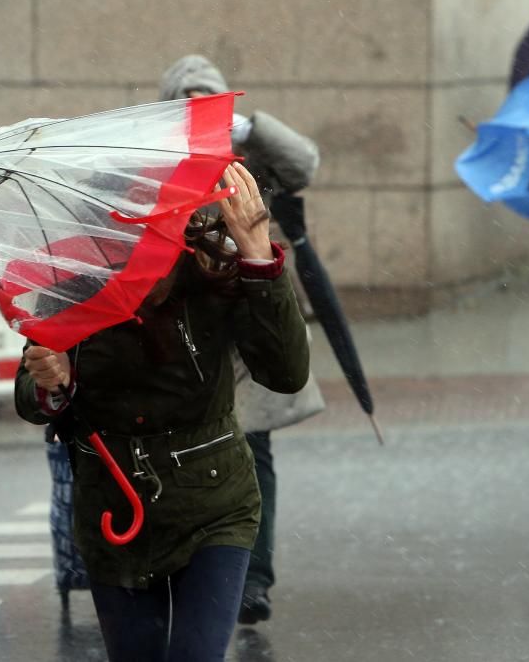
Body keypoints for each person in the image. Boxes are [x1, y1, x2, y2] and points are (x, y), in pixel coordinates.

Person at [15, 162, 311, 661]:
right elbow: (31, 399)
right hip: (115, 510)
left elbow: (285, 373)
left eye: (153, 224)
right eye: (122, 229)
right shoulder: (72, 288)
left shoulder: (211, 274)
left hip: (214, 503)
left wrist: (259, 257)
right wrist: (53, 382)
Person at [159, 55, 325, 625]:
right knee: (192, 446)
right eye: (189, 102)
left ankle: (252, 581)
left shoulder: (251, 156)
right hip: (188, 324)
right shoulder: (161, 161)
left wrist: (250, 128)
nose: (201, 112)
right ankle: (195, 569)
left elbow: (307, 164)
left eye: (211, 99)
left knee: (254, 449)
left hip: (252, 314)